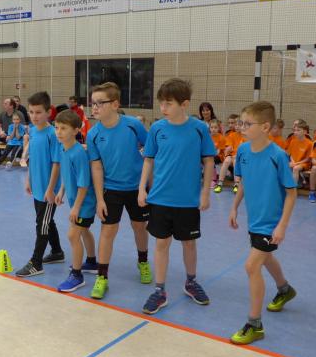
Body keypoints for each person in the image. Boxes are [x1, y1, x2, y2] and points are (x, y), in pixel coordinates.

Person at [138, 78, 215, 314]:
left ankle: (191, 282)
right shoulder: (157, 129)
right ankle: (159, 290)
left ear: (184, 104)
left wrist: (205, 192)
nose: (163, 108)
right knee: (161, 243)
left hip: (188, 200)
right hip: (160, 198)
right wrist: (142, 188)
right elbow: (149, 159)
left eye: (168, 103)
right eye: (161, 103)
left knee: (189, 243)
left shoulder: (199, 129)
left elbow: (208, 160)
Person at [228, 101, 298, 344]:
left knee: (251, 266)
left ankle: (255, 324)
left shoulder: (278, 156)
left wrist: (282, 225)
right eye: (241, 123)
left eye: (248, 124)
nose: (242, 127)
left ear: (265, 127)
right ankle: (285, 289)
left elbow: (291, 193)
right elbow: (244, 182)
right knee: (265, 257)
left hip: (271, 222)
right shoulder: (243, 151)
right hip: (254, 219)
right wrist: (234, 207)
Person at [86, 82, 150, 299]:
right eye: (92, 103)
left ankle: (143, 262)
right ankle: (102, 277)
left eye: (99, 103)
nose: (94, 107)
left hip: (136, 188)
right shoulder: (93, 134)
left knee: (139, 226)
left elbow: (151, 152)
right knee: (108, 231)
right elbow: (96, 167)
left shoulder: (133, 125)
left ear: (115, 104)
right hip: (111, 189)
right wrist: (99, 199)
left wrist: (147, 186)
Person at [15, 91, 65, 277]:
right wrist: (29, 179)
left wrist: (51, 189)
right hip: (37, 186)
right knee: (46, 220)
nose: (34, 116)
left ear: (48, 112)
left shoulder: (53, 134)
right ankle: (57, 252)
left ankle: (36, 263)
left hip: (48, 189)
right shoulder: (33, 131)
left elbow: (57, 163)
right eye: (31, 112)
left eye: (38, 112)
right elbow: (33, 158)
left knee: (41, 224)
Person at [54, 109, 98, 293]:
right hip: (76, 201)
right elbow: (67, 174)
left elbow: (84, 184)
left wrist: (76, 208)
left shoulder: (78, 153)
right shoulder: (63, 148)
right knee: (84, 230)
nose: (59, 132)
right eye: (57, 127)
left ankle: (77, 275)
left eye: (63, 128)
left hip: (84, 203)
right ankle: (92, 262)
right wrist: (61, 191)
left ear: (76, 130)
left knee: (73, 235)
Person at [214, 115, 243, 193]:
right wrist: (228, 152)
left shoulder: (246, 136)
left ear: (243, 126)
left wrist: (237, 155)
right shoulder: (231, 135)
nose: (237, 127)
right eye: (236, 125)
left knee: (236, 161)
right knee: (227, 161)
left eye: (239, 125)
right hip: (232, 155)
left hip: (240, 157)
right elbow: (229, 148)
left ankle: (236, 184)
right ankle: (220, 184)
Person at [287, 120, 312, 185]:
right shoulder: (293, 141)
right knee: (283, 165)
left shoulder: (309, 143)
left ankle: (293, 187)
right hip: (294, 162)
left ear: (305, 132)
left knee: (296, 168)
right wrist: (293, 162)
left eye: (298, 130)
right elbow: (290, 155)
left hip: (304, 163)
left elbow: (308, 159)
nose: (295, 132)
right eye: (295, 130)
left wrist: (297, 163)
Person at [209, 119, 226, 191]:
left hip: (219, 156)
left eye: (215, 127)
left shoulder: (221, 137)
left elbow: (218, 152)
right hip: (210, 155)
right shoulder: (208, 137)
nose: (213, 129)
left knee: (211, 160)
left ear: (218, 128)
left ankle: (214, 180)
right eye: (212, 127)